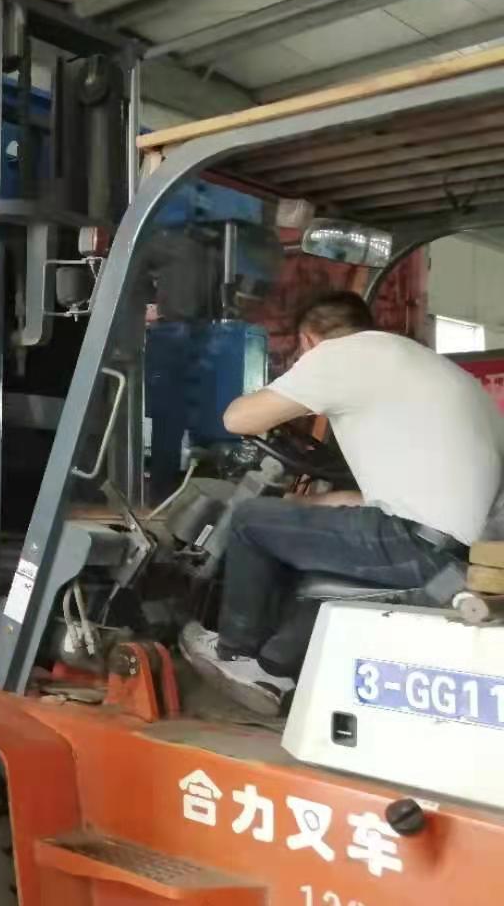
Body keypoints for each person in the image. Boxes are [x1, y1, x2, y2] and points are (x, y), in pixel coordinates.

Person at [181, 292, 504, 715]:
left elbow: (238, 419)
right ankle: (276, 665)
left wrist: (287, 384)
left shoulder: (340, 355)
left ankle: (237, 654)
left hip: (411, 543)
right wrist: (309, 505)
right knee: (286, 525)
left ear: (309, 340)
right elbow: (382, 497)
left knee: (249, 520)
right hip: (456, 553)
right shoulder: (427, 365)